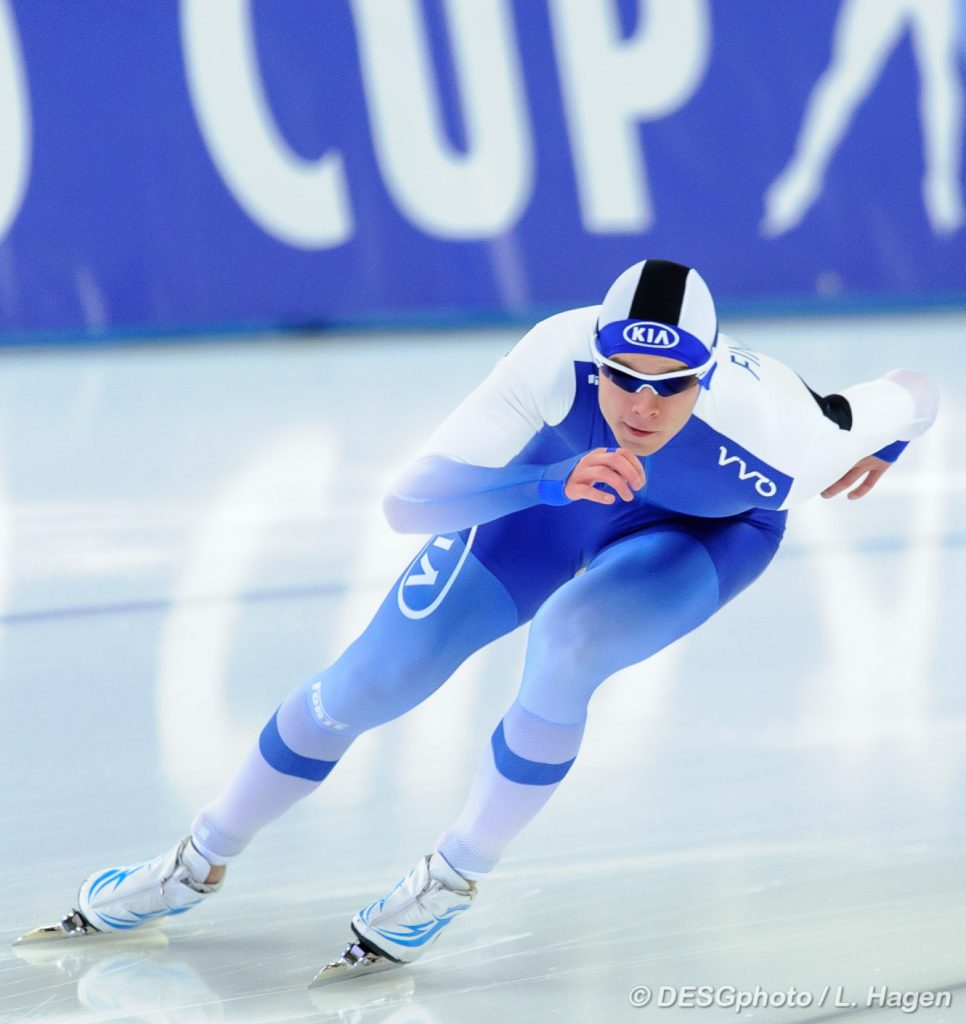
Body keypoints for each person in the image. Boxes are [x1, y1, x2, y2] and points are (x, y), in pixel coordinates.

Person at [22, 259, 938, 981]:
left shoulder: (784, 426)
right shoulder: (551, 354)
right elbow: (408, 504)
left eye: (674, 385)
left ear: (711, 375)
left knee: (570, 643)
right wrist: (547, 480)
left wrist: (887, 437)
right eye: (623, 376)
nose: (644, 404)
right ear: (597, 352)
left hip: (701, 530)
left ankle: (452, 876)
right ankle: (195, 861)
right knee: (369, 681)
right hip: (549, 500)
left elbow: (913, 387)